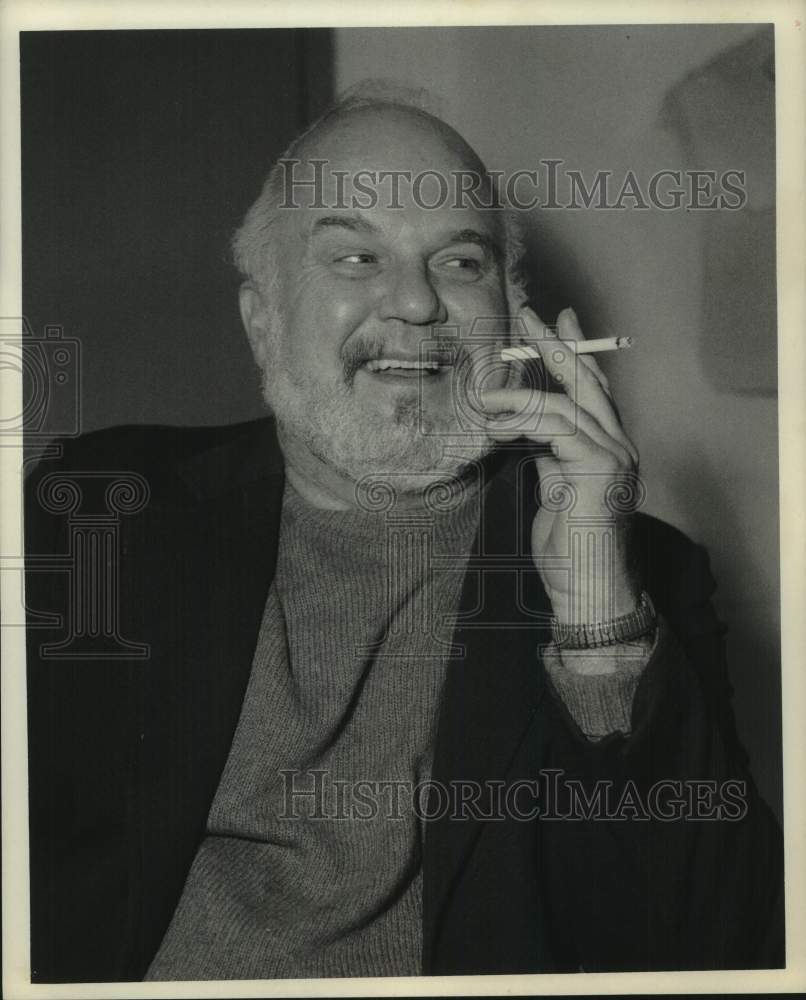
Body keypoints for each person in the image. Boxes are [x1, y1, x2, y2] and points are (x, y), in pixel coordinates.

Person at [24, 84, 784, 982]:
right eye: (354, 256)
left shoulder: (636, 569)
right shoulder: (101, 508)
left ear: (513, 319)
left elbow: (720, 946)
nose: (417, 305)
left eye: (461, 263)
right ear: (262, 321)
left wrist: (593, 615)